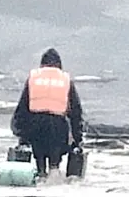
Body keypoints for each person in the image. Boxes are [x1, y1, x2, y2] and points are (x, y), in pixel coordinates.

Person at [11, 48, 84, 178]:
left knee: (39, 159)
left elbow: (22, 108)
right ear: (59, 65)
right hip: (57, 126)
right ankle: (54, 175)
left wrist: (21, 135)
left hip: (35, 125)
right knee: (55, 162)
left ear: (42, 64)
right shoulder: (65, 80)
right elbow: (76, 113)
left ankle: (40, 173)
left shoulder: (34, 79)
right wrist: (77, 140)